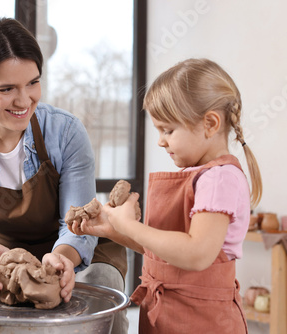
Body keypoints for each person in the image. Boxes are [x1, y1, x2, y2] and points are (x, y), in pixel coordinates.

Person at [0, 18, 128, 332]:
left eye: (32, 82)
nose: (25, 100)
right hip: (5, 258)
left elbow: (77, 227)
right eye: (6, 89)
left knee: (100, 292)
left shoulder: (66, 133)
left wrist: (64, 258)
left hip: (79, 250)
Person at [70, 58, 262, 333]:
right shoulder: (203, 176)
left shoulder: (221, 179)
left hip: (201, 321)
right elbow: (166, 253)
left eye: (168, 130)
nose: (161, 141)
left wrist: (130, 225)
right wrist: (114, 231)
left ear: (210, 123)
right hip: (165, 316)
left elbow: (195, 254)